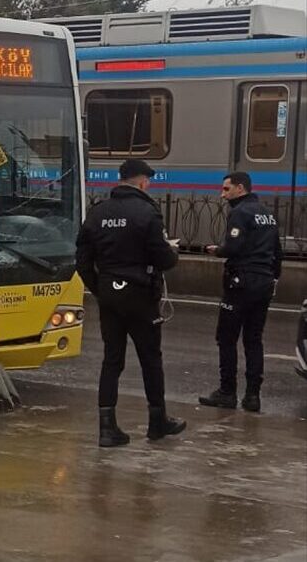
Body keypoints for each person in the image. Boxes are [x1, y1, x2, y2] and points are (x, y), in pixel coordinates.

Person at [76, 158, 186, 447]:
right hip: (141, 295)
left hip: (109, 295)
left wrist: (100, 289)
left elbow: (82, 262)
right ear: (142, 182)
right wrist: (173, 253)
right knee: (150, 359)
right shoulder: (147, 212)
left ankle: (107, 428)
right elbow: (163, 258)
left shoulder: (97, 213)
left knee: (112, 359)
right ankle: (157, 421)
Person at [199, 172, 282, 413]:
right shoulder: (267, 214)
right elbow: (277, 252)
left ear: (240, 188)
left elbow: (233, 247)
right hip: (264, 283)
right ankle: (253, 396)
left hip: (240, 283)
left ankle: (227, 392)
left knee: (226, 338)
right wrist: (273, 278)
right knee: (254, 339)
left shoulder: (240, 213)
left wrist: (218, 250)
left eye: (227, 189)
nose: (222, 195)